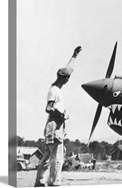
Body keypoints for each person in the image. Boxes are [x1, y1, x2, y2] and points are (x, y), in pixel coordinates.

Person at [34, 46, 82, 187]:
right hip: (55, 126)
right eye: (68, 77)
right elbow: (48, 108)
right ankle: (55, 183)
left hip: (54, 126)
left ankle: (40, 182)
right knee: (57, 157)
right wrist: (61, 115)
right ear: (65, 78)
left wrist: (74, 56)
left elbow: (67, 70)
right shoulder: (55, 91)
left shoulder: (56, 88)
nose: (69, 79)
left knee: (48, 157)